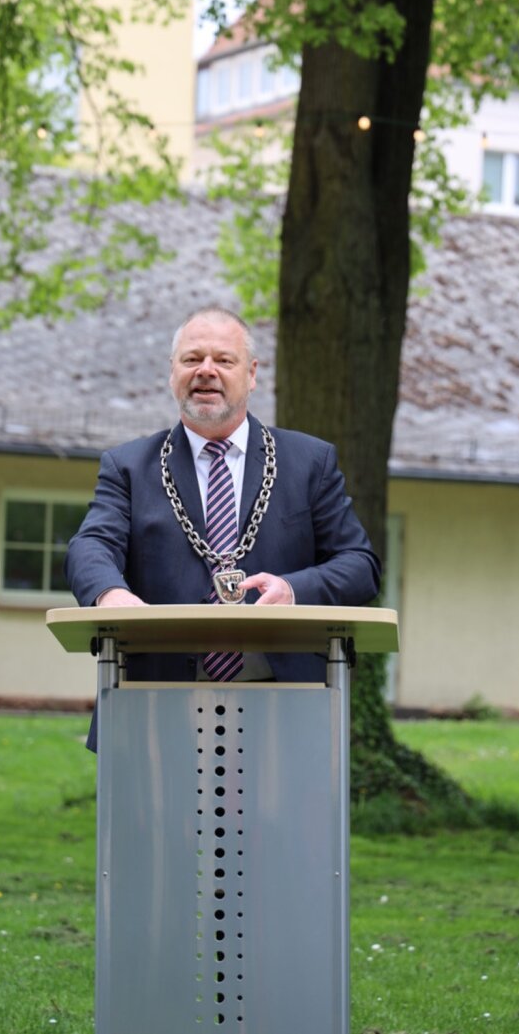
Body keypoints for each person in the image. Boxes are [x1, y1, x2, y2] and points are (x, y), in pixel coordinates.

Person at [65, 305, 380, 744]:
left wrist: (293, 590)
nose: (206, 371)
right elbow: (91, 546)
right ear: (172, 372)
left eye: (224, 360)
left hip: (288, 707)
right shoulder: (128, 467)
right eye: (192, 359)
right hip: (156, 705)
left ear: (251, 374)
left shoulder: (309, 462)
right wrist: (109, 593)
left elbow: (360, 565)